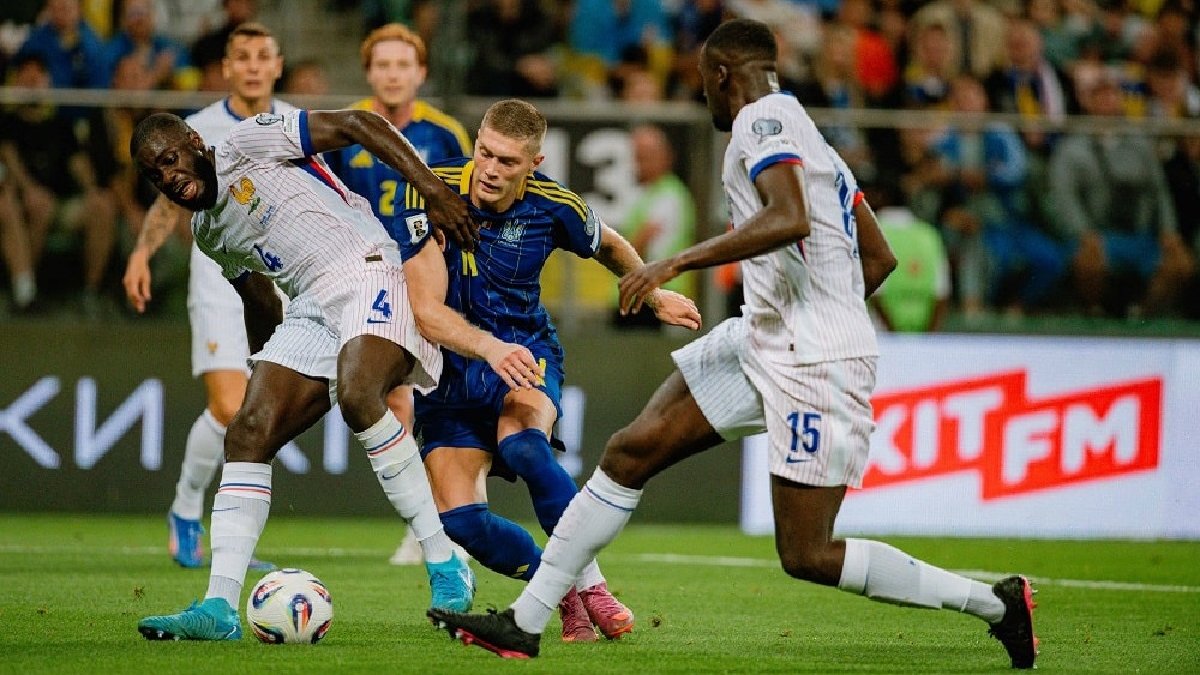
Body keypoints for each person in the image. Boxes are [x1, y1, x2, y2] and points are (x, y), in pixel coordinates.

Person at [428, 19, 1039, 670]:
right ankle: (525, 622)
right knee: (631, 451)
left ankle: (996, 604)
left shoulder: (759, 123)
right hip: (766, 335)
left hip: (814, 360)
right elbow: (878, 257)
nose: (704, 97)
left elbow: (789, 216)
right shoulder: (811, 134)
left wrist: (677, 264)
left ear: (722, 75)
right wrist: (817, 305)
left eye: (702, 82)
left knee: (807, 553)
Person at [131, 105, 490, 641]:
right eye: (154, 174)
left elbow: (358, 124)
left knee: (359, 393)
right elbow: (258, 299)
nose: (168, 177)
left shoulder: (249, 142)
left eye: (170, 159)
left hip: (370, 268)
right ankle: (219, 607)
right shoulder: (208, 231)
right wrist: (268, 376)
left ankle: (444, 562)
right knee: (247, 431)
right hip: (309, 308)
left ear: (194, 141)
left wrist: (433, 191)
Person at [397, 99, 701, 643]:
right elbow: (424, 311)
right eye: (485, 153)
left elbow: (609, 244)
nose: (490, 170)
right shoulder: (431, 191)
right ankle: (560, 593)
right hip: (450, 370)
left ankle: (593, 585)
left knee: (525, 448)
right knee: (462, 523)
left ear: (533, 164)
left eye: (507, 161)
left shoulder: (552, 204)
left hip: (524, 352)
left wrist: (653, 296)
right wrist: (486, 348)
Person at [122, 23, 289, 571]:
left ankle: (231, 537)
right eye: (243, 57)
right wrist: (142, 253)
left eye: (263, 56)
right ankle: (186, 509)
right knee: (228, 406)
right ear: (227, 67)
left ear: (277, 65)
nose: (253, 66)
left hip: (279, 281)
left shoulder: (292, 123)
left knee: (258, 416)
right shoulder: (198, 128)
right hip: (218, 279)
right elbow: (168, 202)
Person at [322, 22, 472, 567]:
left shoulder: (445, 134)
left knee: (430, 402)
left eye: (403, 65)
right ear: (369, 73)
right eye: (383, 65)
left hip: (430, 278)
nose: (393, 74)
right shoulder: (345, 129)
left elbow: (467, 203)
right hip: (366, 277)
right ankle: (426, 524)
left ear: (421, 73)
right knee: (396, 399)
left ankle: (437, 521)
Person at [612, 123, 697, 329]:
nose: (639, 164)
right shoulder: (647, 193)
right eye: (637, 157)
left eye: (646, 157)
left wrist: (613, 254)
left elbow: (639, 244)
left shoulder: (669, 195)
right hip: (642, 293)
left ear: (666, 157)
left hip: (656, 297)